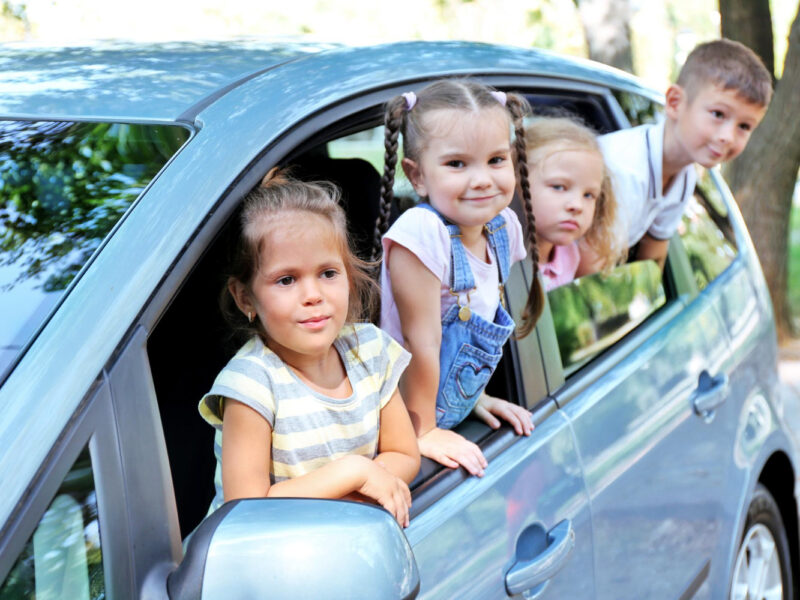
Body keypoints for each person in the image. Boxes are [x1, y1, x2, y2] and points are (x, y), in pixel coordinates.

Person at [199, 170, 420, 528]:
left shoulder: (370, 350)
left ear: (349, 276)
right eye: (287, 280)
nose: (313, 295)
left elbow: (404, 453)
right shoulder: (251, 385)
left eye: (328, 273)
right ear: (245, 298)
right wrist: (354, 474)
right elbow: (246, 509)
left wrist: (360, 490)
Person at [375, 80, 543, 477]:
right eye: (457, 164)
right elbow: (421, 341)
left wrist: (473, 396)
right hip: (401, 417)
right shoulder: (422, 233)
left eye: (496, 160)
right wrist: (424, 431)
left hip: (446, 403)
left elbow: (477, 313)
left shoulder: (501, 227)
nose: (482, 179)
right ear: (417, 175)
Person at [582, 38, 772, 273]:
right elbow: (588, 270)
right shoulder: (624, 171)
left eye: (744, 126)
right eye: (718, 114)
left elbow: (654, 257)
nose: (728, 137)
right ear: (674, 103)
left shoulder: (684, 176)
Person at [525, 116, 624, 290]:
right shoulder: (492, 255)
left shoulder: (569, 256)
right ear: (517, 181)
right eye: (559, 187)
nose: (577, 206)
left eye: (589, 195)